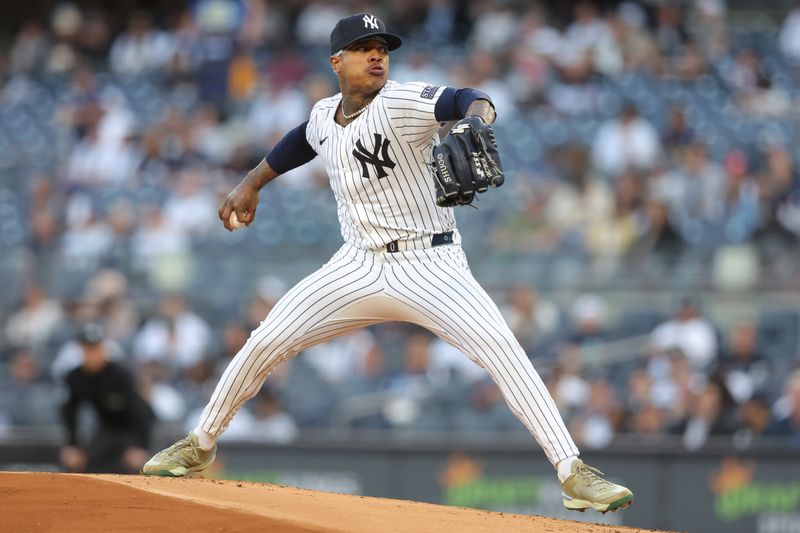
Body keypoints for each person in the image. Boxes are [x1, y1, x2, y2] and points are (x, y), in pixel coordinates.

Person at [143, 13, 633, 513]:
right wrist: (251, 182)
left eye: (382, 46)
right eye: (362, 47)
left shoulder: (400, 102)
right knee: (266, 339)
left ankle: (573, 471)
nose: (377, 54)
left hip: (431, 263)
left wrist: (473, 120)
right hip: (356, 264)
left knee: (503, 351)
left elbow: (469, 98)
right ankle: (199, 445)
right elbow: (299, 141)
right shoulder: (323, 114)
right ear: (337, 61)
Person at [61, 323, 154, 474]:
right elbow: (70, 411)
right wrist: (73, 445)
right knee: (86, 466)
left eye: (96, 348)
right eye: (88, 349)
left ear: (103, 348)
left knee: (136, 468)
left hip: (136, 429)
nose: (92, 353)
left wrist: (141, 446)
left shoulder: (120, 375)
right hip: (108, 428)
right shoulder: (75, 377)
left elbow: (140, 411)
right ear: (80, 349)